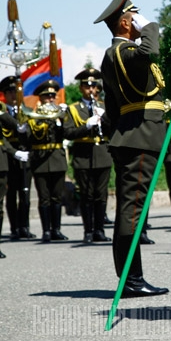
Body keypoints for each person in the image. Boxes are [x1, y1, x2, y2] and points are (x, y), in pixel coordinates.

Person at [94, 0, 168, 297]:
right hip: (139, 138)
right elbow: (151, 50)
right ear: (126, 22)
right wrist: (150, 26)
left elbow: (111, 111)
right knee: (132, 211)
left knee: (131, 208)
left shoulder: (112, 56)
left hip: (132, 135)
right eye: (134, 15)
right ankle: (131, 281)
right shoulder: (123, 51)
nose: (139, 19)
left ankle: (131, 278)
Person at [63, 68, 113, 244]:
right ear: (81, 88)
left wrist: (104, 119)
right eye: (87, 86)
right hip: (83, 156)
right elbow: (67, 133)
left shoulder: (104, 107)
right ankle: (88, 231)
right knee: (87, 195)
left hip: (103, 154)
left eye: (93, 86)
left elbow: (113, 130)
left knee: (101, 194)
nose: (91, 90)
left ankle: (100, 229)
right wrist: (86, 125)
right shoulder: (73, 109)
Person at [26, 80, 70, 242]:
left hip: (57, 158)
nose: (51, 99)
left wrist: (61, 119)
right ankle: (46, 231)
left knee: (56, 197)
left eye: (53, 96)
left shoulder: (61, 114)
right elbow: (30, 138)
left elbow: (68, 133)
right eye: (47, 96)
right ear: (41, 98)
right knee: (44, 196)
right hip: (40, 160)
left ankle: (56, 230)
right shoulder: (34, 116)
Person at [1, 76, 35, 241]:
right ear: (5, 94)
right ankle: (14, 227)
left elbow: (32, 134)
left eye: (17, 91)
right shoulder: (2, 112)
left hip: (24, 155)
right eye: (11, 92)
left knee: (25, 193)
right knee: (11, 194)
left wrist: (26, 131)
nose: (14, 95)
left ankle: (24, 226)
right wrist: (13, 151)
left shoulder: (25, 111)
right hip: (8, 156)